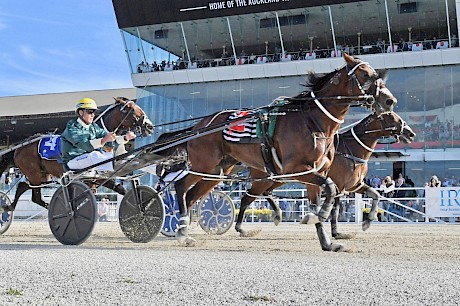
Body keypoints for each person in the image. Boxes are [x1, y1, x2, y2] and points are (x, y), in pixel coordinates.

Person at [60, 98, 136, 172]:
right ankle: (117, 164)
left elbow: (110, 140)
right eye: (90, 112)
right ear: (80, 112)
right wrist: (104, 140)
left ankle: (136, 161)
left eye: (94, 112)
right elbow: (84, 145)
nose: (93, 115)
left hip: (89, 160)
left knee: (111, 153)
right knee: (94, 155)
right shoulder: (72, 127)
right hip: (72, 161)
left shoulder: (94, 127)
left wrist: (125, 138)